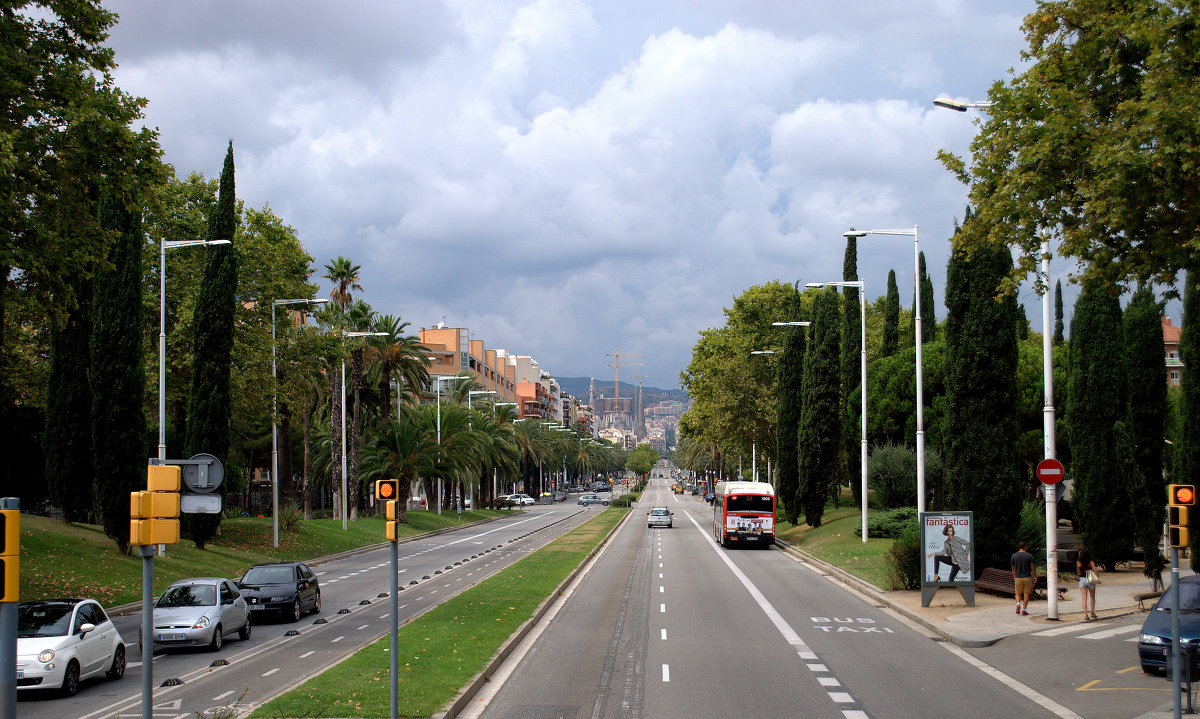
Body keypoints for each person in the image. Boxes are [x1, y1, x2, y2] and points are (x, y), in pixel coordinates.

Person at [1011, 540, 1036, 616]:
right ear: (1025, 546)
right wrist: (1034, 576)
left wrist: (1014, 576)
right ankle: (1024, 610)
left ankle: (1018, 604)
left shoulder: (1014, 556)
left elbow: (1013, 568)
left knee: (1018, 593)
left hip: (1018, 577)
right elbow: (1032, 567)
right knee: (1026, 593)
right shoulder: (1029, 556)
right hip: (1027, 577)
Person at [1077, 547, 1099, 621]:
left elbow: (1078, 572)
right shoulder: (1091, 562)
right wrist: (1097, 576)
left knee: (1084, 598)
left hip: (1082, 580)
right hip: (1090, 580)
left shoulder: (1079, 562)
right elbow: (1095, 571)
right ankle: (1092, 612)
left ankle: (1085, 614)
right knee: (1092, 596)